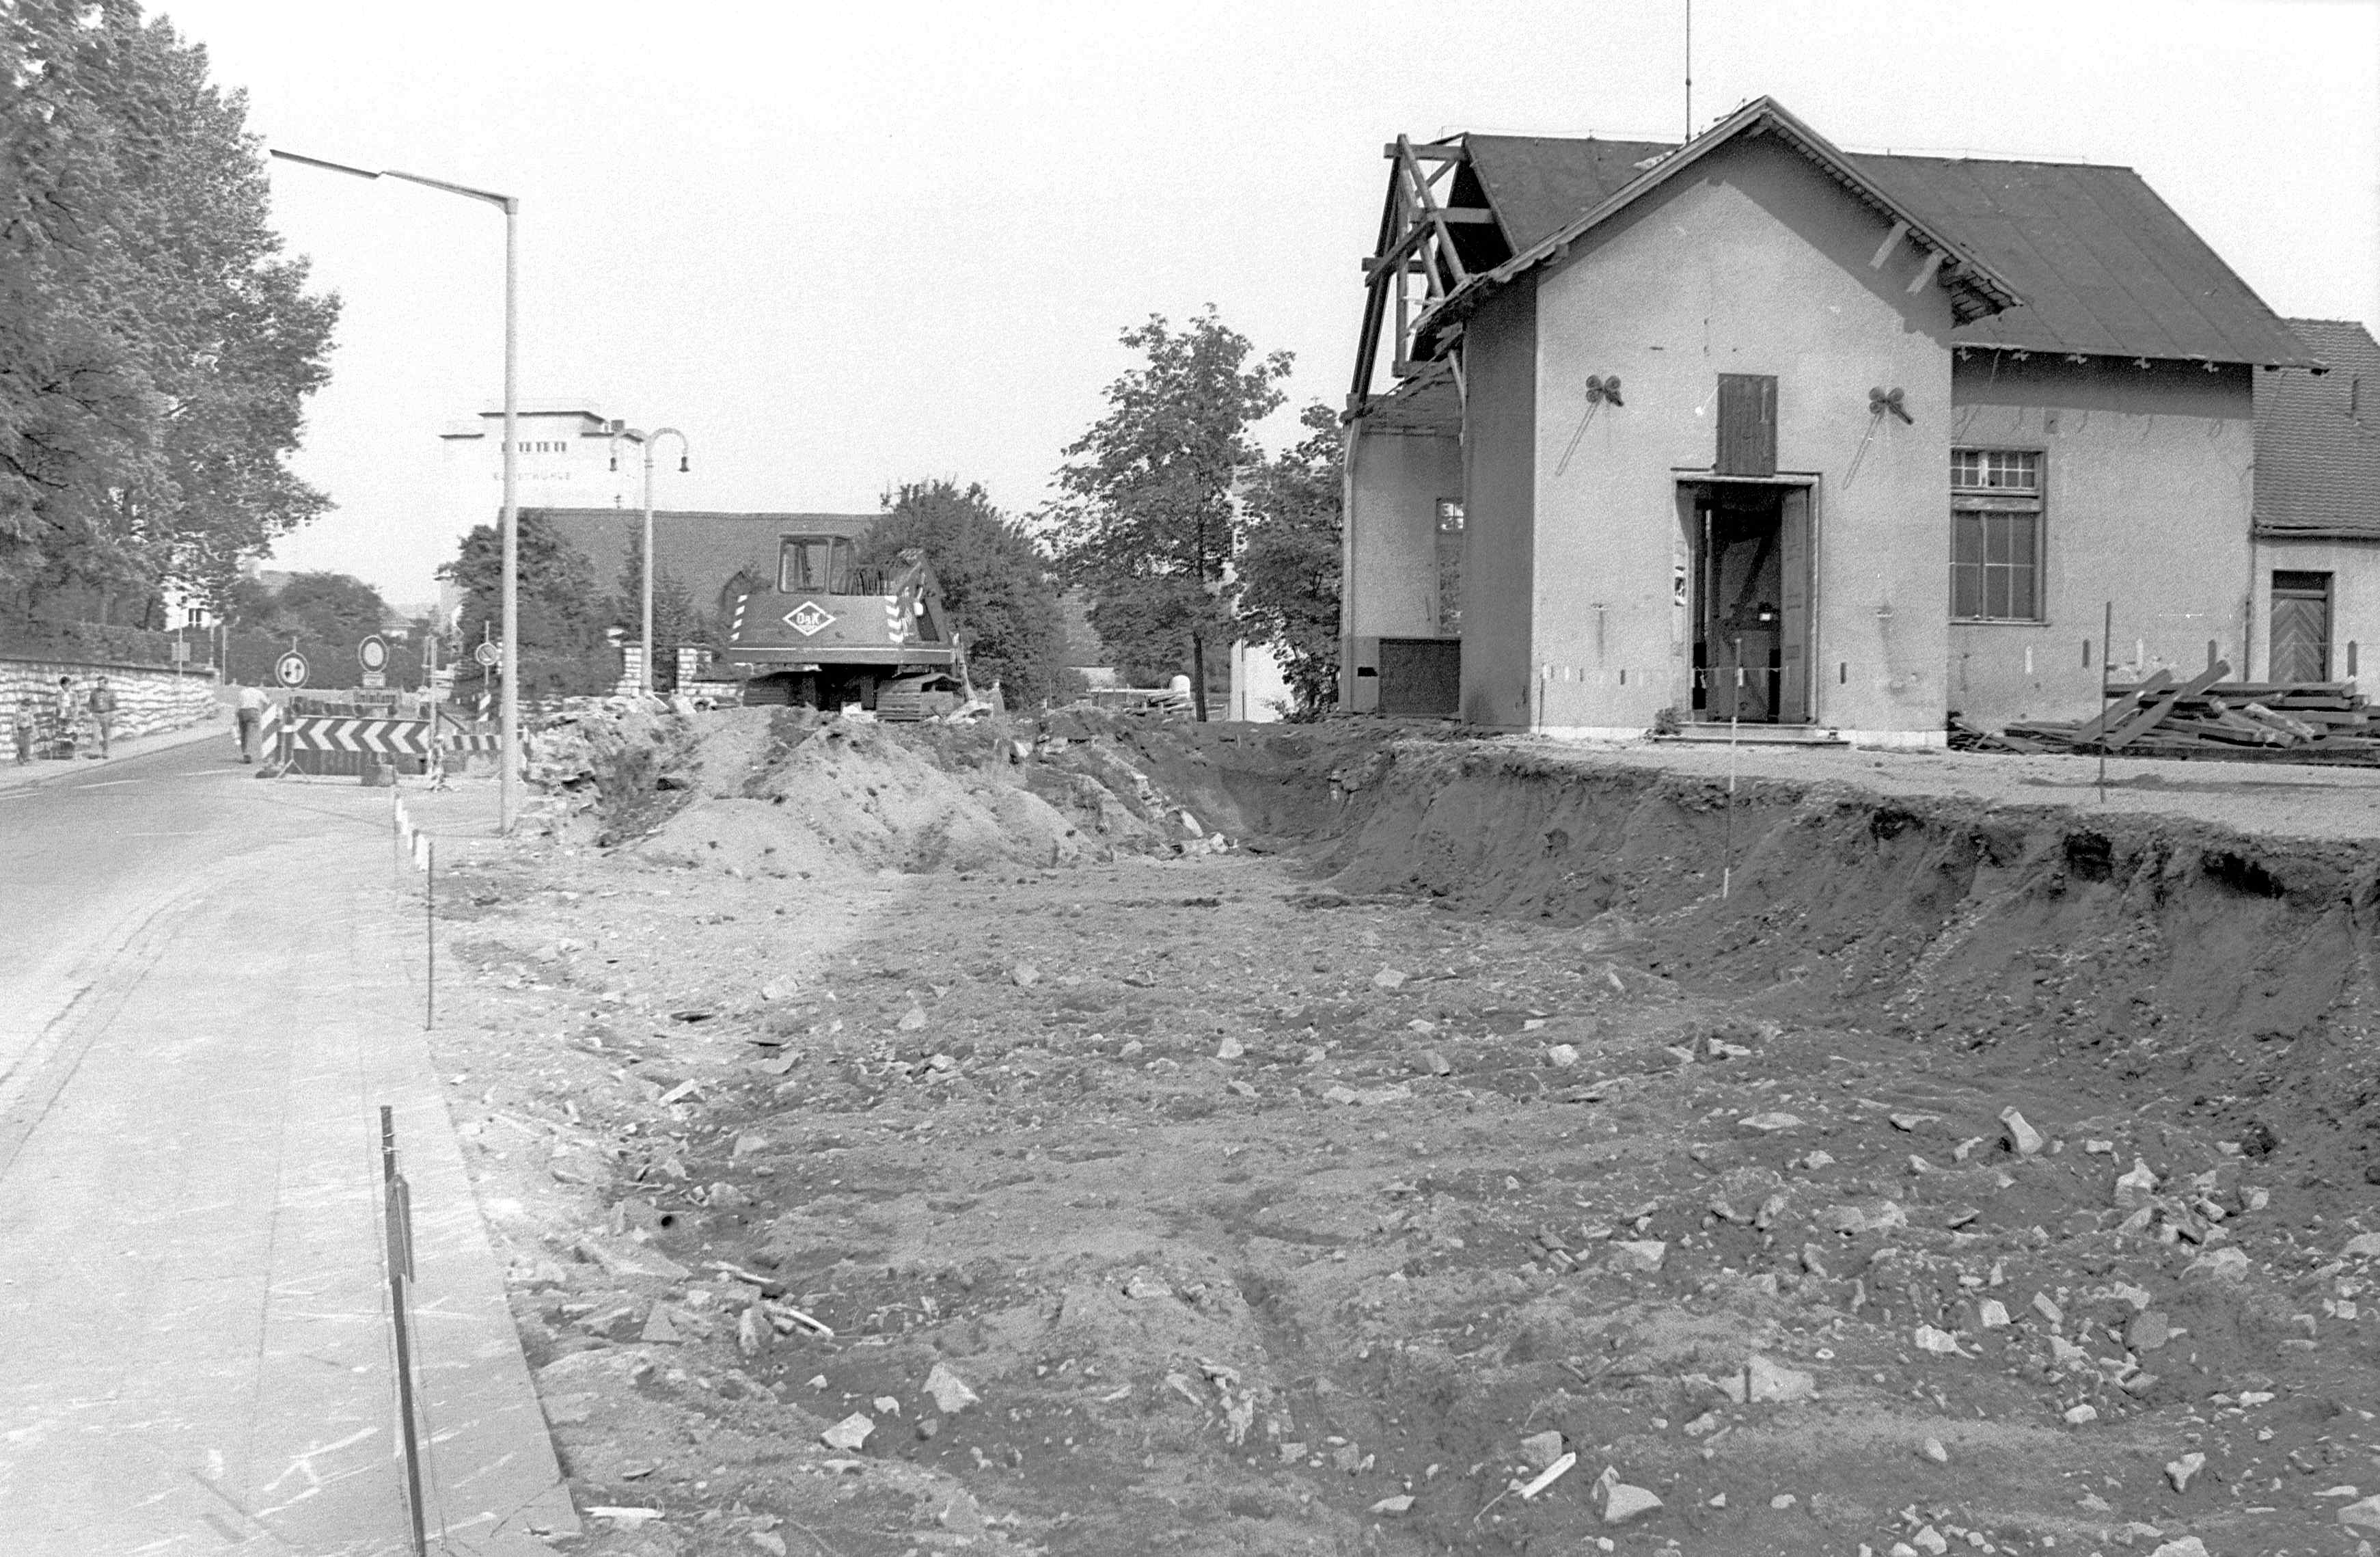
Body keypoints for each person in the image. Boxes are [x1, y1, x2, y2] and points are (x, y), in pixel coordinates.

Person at [235, 683, 268, 763]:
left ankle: (245, 753)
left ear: (247, 686)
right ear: (255, 686)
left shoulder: (242, 692)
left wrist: (235, 717)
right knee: (252, 733)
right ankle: (249, 753)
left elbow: (238, 705)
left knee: (244, 734)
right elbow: (266, 702)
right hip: (253, 712)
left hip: (242, 712)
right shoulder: (259, 692)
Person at [87, 674, 117, 759]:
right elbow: (90, 703)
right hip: (96, 715)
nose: (99, 685)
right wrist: (89, 712)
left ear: (106, 683)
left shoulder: (111, 692)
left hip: (106, 714)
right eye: (98, 683)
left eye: (101, 683)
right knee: (95, 734)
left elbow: (113, 704)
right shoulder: (94, 692)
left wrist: (112, 715)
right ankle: (95, 752)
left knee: (106, 734)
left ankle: (106, 752)